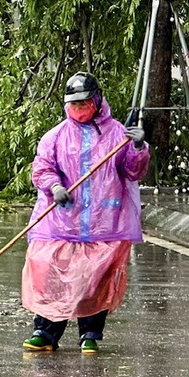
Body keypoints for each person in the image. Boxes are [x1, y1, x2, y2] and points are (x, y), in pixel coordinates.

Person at [21, 71, 150, 354]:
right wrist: (54, 187)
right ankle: (45, 331)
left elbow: (132, 170)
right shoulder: (54, 137)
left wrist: (138, 147)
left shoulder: (118, 133)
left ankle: (90, 333)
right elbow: (42, 167)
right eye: (74, 105)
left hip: (104, 222)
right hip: (61, 221)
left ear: (96, 100)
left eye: (83, 104)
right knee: (49, 272)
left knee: (95, 278)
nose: (78, 110)